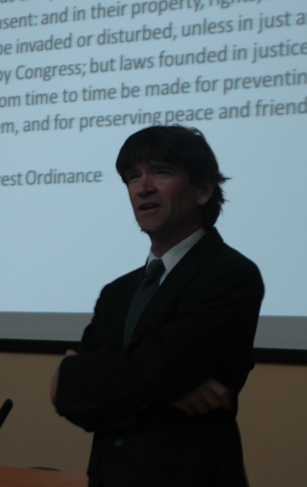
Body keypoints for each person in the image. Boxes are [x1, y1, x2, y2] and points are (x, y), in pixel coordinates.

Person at [51, 125, 264, 487]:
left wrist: (77, 374)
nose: (143, 188)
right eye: (133, 177)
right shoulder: (117, 292)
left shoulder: (230, 274)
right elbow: (71, 400)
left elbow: (159, 368)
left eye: (161, 172)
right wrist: (163, 396)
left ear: (203, 190)